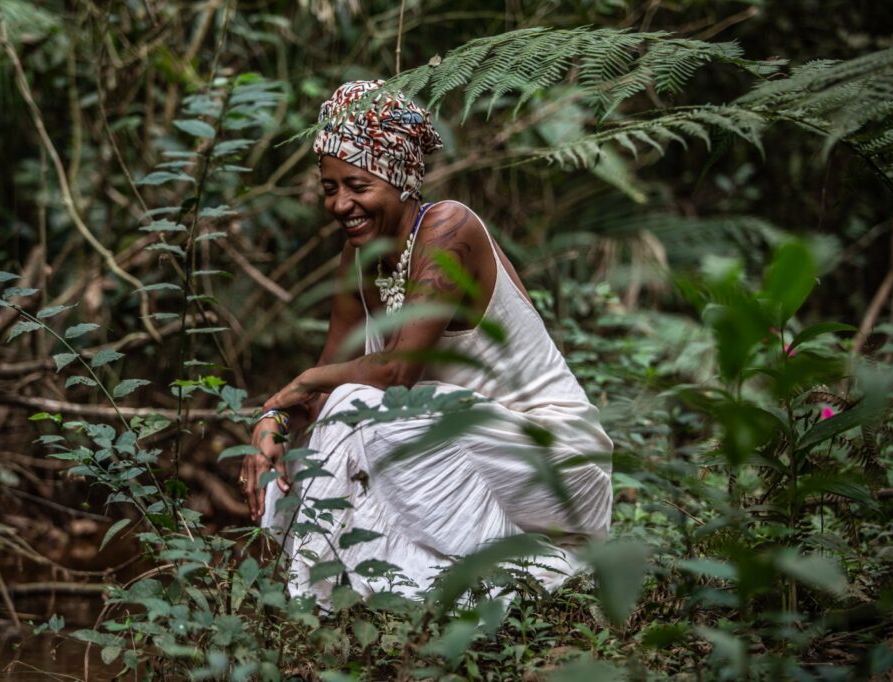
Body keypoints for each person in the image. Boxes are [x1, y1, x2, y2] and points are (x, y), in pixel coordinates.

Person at [238, 80, 613, 607]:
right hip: (462, 449)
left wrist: (295, 386)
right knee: (302, 462)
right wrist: (272, 422)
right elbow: (328, 384)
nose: (341, 204)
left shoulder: (448, 229)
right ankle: (373, 595)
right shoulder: (360, 257)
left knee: (363, 408)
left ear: (400, 180)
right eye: (329, 188)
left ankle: (507, 579)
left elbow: (395, 375)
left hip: (559, 464)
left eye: (357, 185)